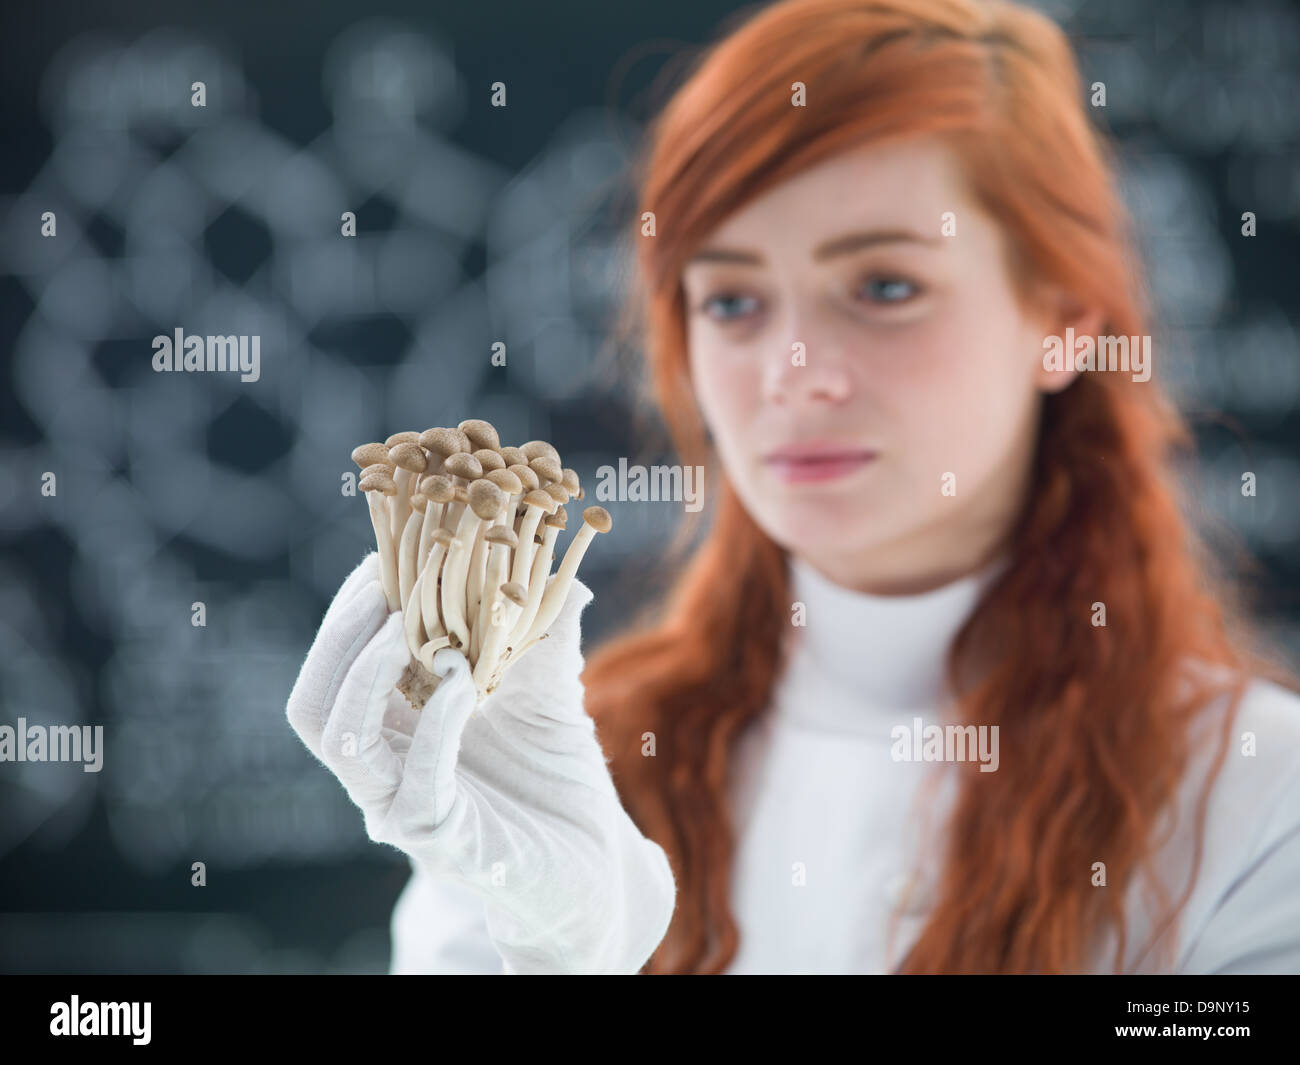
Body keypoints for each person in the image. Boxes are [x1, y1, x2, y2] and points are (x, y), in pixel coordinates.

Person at [288, 0, 1300, 975]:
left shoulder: (1258, 798)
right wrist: (553, 954)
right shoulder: (560, 775)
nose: (793, 370)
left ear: (1065, 322)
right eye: (731, 300)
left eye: (884, 286)